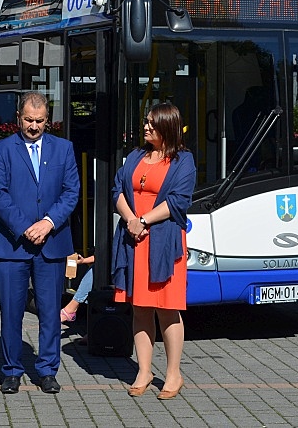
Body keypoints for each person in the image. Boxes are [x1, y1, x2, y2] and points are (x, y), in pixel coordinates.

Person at [0, 91, 79, 395]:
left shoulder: (63, 149)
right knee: (11, 312)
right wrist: (27, 228)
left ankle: (48, 371)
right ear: (18, 118)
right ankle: (12, 371)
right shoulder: (1, 150)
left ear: (47, 120)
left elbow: (71, 192)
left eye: (40, 121)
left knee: (50, 312)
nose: (34, 126)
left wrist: (48, 222)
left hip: (51, 243)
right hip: (12, 244)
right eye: (29, 120)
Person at [111, 103, 195, 400]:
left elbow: (178, 201)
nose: (146, 127)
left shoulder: (183, 161)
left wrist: (143, 220)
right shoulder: (136, 156)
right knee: (140, 307)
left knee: (167, 308)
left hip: (163, 242)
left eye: (152, 123)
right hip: (134, 239)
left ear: (167, 127)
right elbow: (117, 190)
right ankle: (144, 371)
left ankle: (173, 374)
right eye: (145, 122)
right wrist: (131, 220)